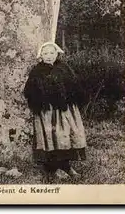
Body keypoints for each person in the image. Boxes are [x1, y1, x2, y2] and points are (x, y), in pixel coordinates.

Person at [23, 42, 87, 180]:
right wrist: (39, 101)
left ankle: (66, 166)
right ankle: (52, 168)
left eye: (51, 53)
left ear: (57, 54)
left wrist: (71, 98)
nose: (49, 56)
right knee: (50, 138)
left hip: (63, 111)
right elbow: (29, 90)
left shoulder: (64, 68)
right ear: (41, 56)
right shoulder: (37, 71)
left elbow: (73, 85)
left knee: (63, 136)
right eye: (45, 53)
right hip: (47, 112)